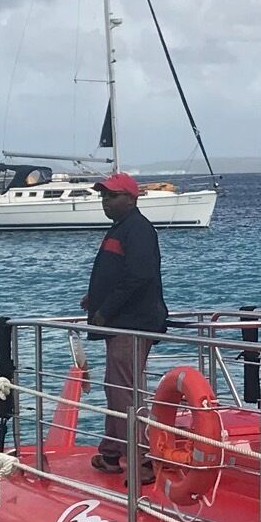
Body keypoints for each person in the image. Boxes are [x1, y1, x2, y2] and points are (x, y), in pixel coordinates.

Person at [81, 171, 166, 476]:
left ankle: (141, 459)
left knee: (123, 390)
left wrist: (105, 310)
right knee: (116, 387)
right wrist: (95, 298)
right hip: (123, 320)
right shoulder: (124, 228)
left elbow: (138, 277)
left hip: (131, 323)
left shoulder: (138, 229)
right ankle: (112, 451)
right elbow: (124, 274)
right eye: (103, 196)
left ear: (131, 198)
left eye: (112, 196)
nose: (105, 202)